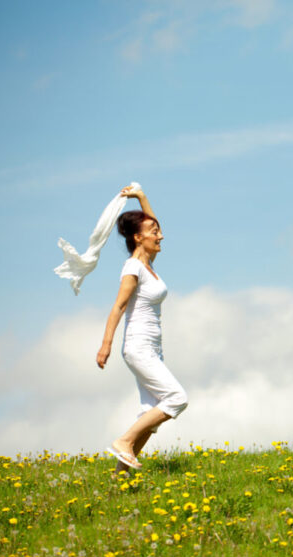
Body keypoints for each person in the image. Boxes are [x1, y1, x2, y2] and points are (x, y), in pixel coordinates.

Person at [96, 185, 188, 471]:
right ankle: (124, 442)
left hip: (152, 348)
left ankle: (120, 477)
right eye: (153, 232)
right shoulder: (133, 267)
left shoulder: (148, 263)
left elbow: (151, 222)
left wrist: (141, 196)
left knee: (151, 411)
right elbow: (118, 306)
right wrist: (106, 345)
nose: (160, 235)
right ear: (138, 238)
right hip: (137, 347)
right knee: (177, 398)